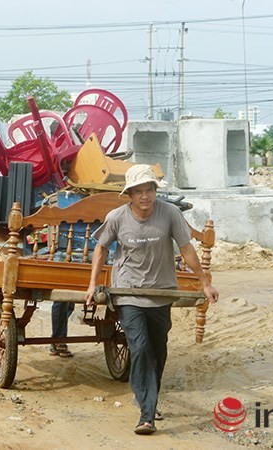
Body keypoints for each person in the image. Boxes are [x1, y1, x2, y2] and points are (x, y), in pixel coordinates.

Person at [84, 164, 219, 436]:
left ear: (155, 192)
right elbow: (101, 248)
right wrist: (92, 284)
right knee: (141, 346)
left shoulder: (170, 214)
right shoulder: (117, 217)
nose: (145, 196)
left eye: (149, 190)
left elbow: (186, 249)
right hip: (128, 293)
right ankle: (147, 414)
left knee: (158, 350)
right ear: (130, 195)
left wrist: (205, 282)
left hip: (161, 293)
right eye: (139, 192)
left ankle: (148, 397)